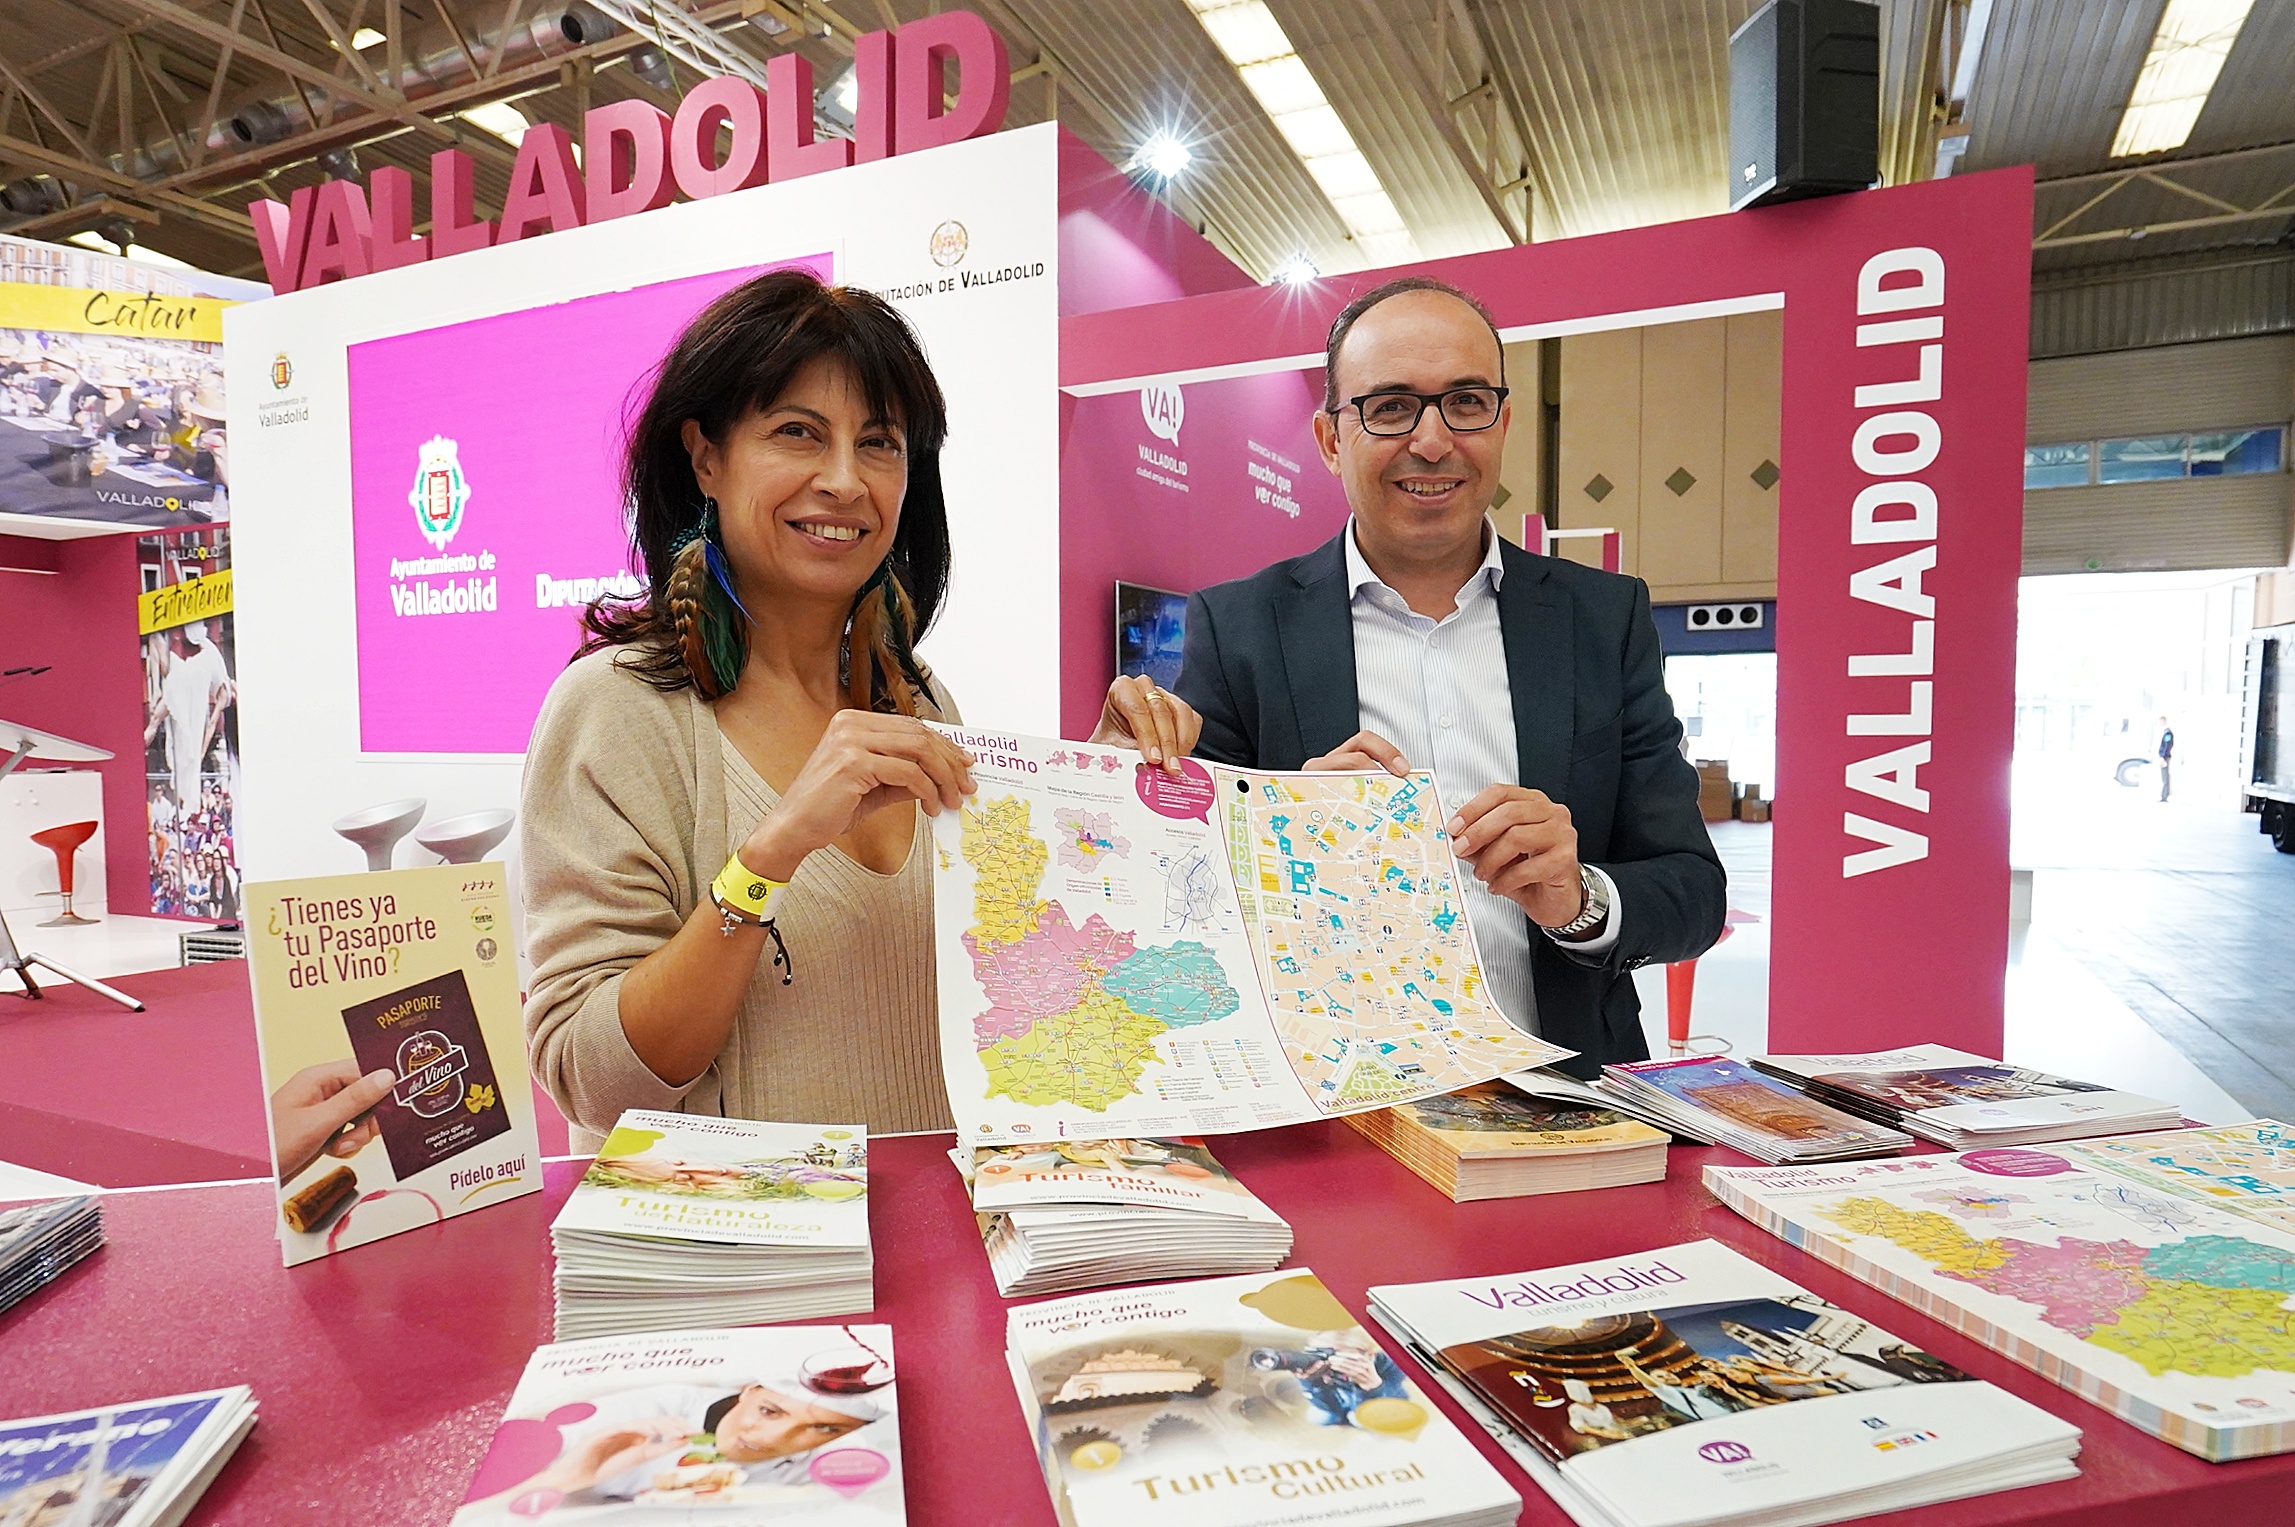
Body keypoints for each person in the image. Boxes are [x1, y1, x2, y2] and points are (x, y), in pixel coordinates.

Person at [521, 271, 1200, 1148]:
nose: (844, 480)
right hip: (752, 1232)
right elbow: (589, 1080)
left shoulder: (918, 697)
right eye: (797, 432)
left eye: (878, 443)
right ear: (706, 457)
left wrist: (1096, 787)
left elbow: (994, 963)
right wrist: (772, 852)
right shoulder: (618, 709)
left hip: (946, 1218)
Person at [1174, 277, 1724, 1073]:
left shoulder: (1603, 620)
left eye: (1465, 402)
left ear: (1501, 424)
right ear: (1330, 439)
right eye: (1390, 406)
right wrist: (1284, 842)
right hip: (1336, 1095)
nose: (1432, 442)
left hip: (1566, 1096)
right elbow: (1187, 893)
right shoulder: (1239, 628)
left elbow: (1692, 892)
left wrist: (1577, 898)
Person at [482, 1379, 881, 1506]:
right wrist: (572, 1476)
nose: (774, 1438)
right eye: (769, 1411)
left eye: (825, 1429)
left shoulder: (825, 1472)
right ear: (749, 1391)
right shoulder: (642, 1414)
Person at [2157, 716, 2175, 802]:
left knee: (2165, 777)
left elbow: (2167, 746)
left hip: (2165, 757)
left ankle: (2165, 795)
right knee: (2164, 776)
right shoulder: (2165, 732)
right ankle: (2164, 795)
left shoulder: (2167, 733)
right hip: (2164, 757)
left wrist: (2163, 757)